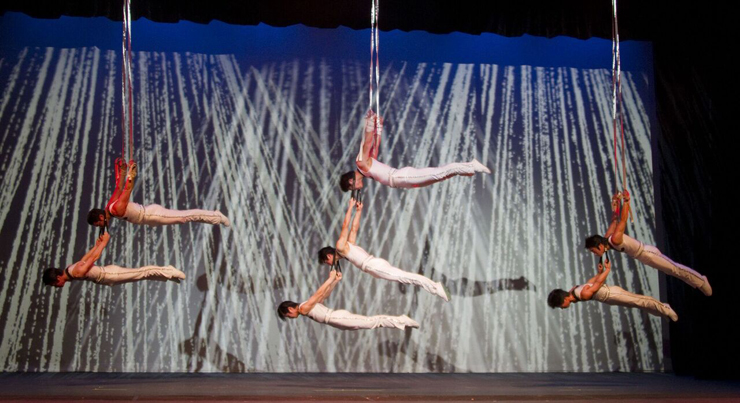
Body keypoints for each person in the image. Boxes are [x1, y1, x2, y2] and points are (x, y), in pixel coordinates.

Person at [317, 197, 450, 302]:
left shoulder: (341, 245)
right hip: (374, 266)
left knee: (405, 277)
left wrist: (351, 207)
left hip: (373, 266)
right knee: (403, 277)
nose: (329, 265)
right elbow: (354, 228)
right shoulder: (346, 249)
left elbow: (346, 226)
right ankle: (435, 287)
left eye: (326, 262)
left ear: (328, 256)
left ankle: (435, 288)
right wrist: (358, 211)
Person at [584, 190, 712, 296]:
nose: (595, 254)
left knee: (674, 268)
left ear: (600, 245)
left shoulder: (615, 239)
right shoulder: (607, 240)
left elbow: (622, 220)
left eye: (594, 251)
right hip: (644, 256)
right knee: (671, 271)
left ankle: (701, 281)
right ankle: (697, 283)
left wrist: (626, 201)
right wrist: (615, 203)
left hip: (647, 253)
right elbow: (614, 220)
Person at [339, 110, 491, 192]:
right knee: (441, 177)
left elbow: (367, 143)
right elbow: (375, 145)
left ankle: (471, 166)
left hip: (401, 177)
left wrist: (370, 125)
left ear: (351, 181)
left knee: (440, 173)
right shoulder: (366, 170)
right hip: (403, 181)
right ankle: (468, 169)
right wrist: (379, 126)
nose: (357, 189)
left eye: (353, 187)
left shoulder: (361, 163)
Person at [87, 158, 230, 228]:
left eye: (98, 224)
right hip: (150, 216)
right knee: (185, 217)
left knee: (185, 217)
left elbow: (126, 189)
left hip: (152, 214)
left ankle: (216, 217)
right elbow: (118, 187)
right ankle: (215, 217)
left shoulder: (116, 210)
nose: (100, 226)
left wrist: (131, 174)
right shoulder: (109, 208)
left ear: (101, 217)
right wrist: (123, 170)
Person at [277, 269, 419, 330]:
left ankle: (402, 320)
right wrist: (335, 282)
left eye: (287, 315)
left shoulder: (302, 308)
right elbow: (322, 296)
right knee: (366, 324)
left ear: (290, 309)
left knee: (372, 322)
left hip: (337, 318)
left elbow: (317, 294)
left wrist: (330, 279)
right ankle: (400, 321)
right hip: (337, 320)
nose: (290, 317)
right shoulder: (306, 307)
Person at [547, 260, 678, 321]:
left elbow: (597, 283)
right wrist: (599, 272)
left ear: (565, 299)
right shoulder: (573, 291)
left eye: (560, 306)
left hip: (612, 294)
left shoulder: (583, 295)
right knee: (637, 305)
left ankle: (665, 308)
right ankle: (662, 313)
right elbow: (590, 282)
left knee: (639, 300)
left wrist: (607, 270)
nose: (562, 308)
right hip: (609, 298)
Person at [41, 232, 185, 287]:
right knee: (141, 277)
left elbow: (94, 258)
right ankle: (167, 276)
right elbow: (86, 258)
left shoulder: (76, 272)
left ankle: (168, 270)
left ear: (57, 278)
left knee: (142, 273)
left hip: (110, 275)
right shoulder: (70, 270)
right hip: (108, 277)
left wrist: (103, 243)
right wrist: (96, 245)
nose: (55, 286)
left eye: (54, 284)